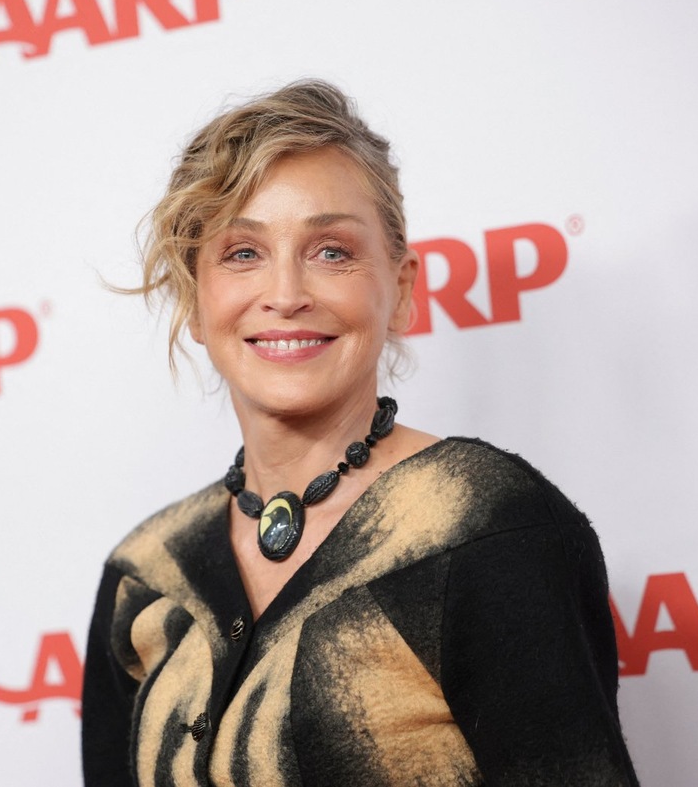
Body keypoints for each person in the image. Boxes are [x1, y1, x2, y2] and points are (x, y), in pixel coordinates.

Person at [82, 80, 639, 787]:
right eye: (243, 253)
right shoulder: (145, 570)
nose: (286, 295)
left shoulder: (486, 525)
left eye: (331, 251)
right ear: (195, 299)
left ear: (400, 290)